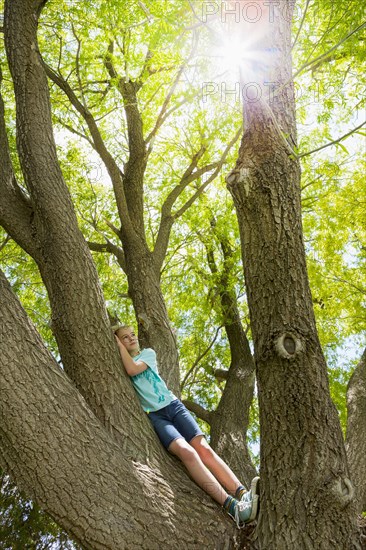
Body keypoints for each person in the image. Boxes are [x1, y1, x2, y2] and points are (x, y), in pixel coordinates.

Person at [113, 324, 260, 528]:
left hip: (174, 406)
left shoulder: (147, 353)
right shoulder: (120, 362)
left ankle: (242, 494)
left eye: (132, 335)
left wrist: (119, 345)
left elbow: (132, 369)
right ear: (119, 341)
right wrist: (118, 346)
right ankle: (232, 507)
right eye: (124, 338)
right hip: (157, 417)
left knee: (203, 449)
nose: (131, 339)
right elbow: (127, 369)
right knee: (187, 452)